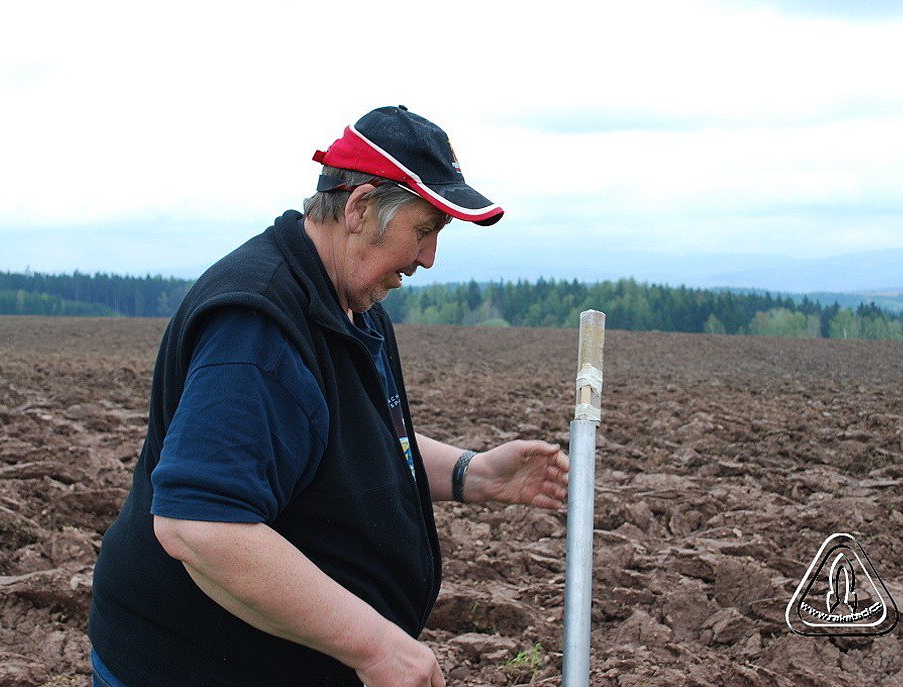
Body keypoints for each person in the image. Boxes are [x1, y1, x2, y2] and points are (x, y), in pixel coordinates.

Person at [88, 106, 569, 687]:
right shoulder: (258, 327)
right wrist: (375, 648)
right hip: (193, 668)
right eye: (424, 230)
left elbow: (350, 438)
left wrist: (473, 473)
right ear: (360, 207)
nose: (427, 259)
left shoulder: (346, 302)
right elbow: (200, 525)